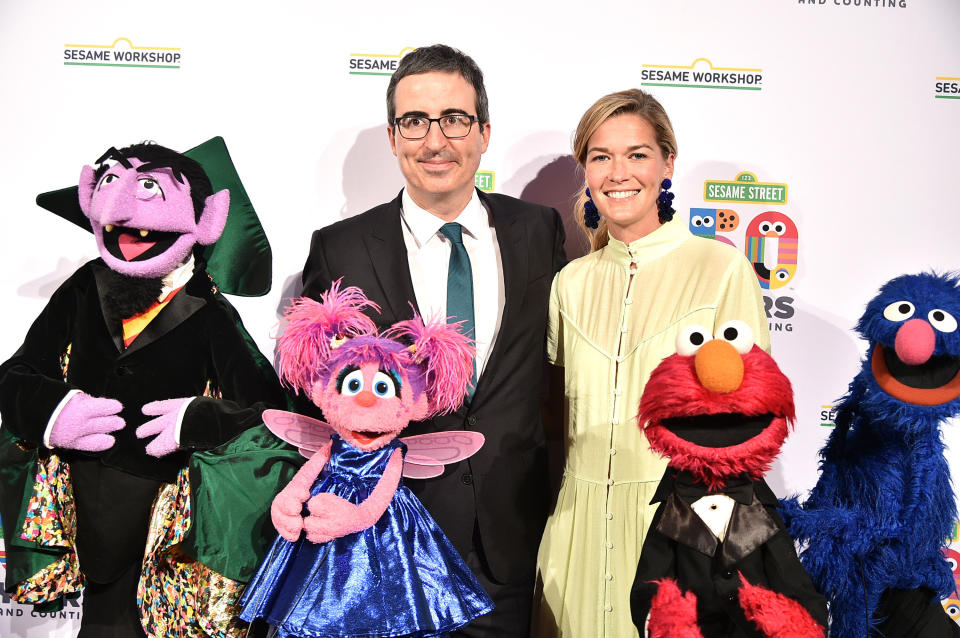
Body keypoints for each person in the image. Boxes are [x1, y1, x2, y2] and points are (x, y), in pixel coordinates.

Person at [300, 44, 566, 636]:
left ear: (484, 132)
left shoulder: (537, 231)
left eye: (455, 119)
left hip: (511, 547)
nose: (436, 140)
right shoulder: (339, 248)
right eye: (415, 122)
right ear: (394, 138)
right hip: (383, 544)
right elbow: (316, 397)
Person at [531, 89, 770, 637]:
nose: (619, 172)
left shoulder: (720, 269)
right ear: (585, 170)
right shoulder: (570, 283)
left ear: (667, 163)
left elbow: (750, 424)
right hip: (575, 531)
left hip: (678, 529)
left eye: (637, 154)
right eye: (601, 156)